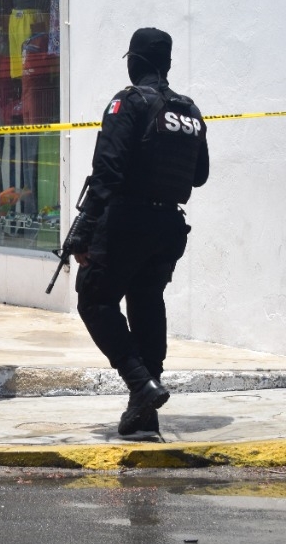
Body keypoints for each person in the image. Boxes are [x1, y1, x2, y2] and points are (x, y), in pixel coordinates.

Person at [65, 27, 209, 438]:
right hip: (168, 226)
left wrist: (84, 230)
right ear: (166, 63)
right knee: (147, 304)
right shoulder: (190, 111)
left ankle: (139, 382)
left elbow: (107, 171)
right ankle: (144, 411)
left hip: (126, 220)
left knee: (95, 300)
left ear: (136, 62)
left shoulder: (127, 102)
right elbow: (199, 176)